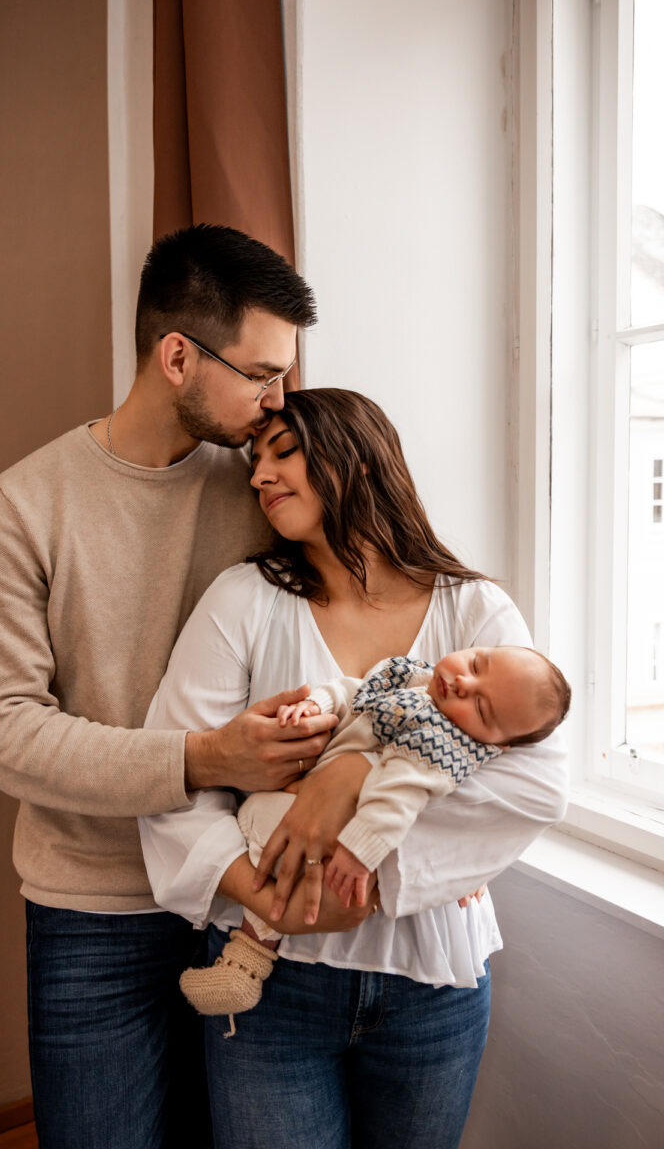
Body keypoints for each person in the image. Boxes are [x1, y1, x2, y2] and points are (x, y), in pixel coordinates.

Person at [0, 224, 356, 1149]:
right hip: (91, 911)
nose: (276, 402)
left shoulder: (266, 489)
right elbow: (7, 733)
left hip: (243, 897)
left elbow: (363, 615)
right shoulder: (22, 508)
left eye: (284, 376)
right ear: (178, 355)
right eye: (260, 374)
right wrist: (206, 757)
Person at [138, 388, 569, 1149]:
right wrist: (259, 890)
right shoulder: (243, 600)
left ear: (358, 459)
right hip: (273, 991)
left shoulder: (474, 611)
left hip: (432, 980)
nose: (259, 477)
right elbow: (174, 774)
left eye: (282, 452)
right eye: (255, 459)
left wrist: (345, 800)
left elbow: (532, 787)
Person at [178, 645, 571, 1022]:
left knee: (275, 848)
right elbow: (353, 690)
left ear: (497, 745)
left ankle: (247, 960)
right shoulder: (412, 677)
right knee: (270, 837)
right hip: (306, 806)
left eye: (481, 707)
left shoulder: (441, 740)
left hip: (334, 839)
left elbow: (395, 799)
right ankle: (246, 955)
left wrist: (358, 853)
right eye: (477, 663)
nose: (464, 683)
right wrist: (318, 704)